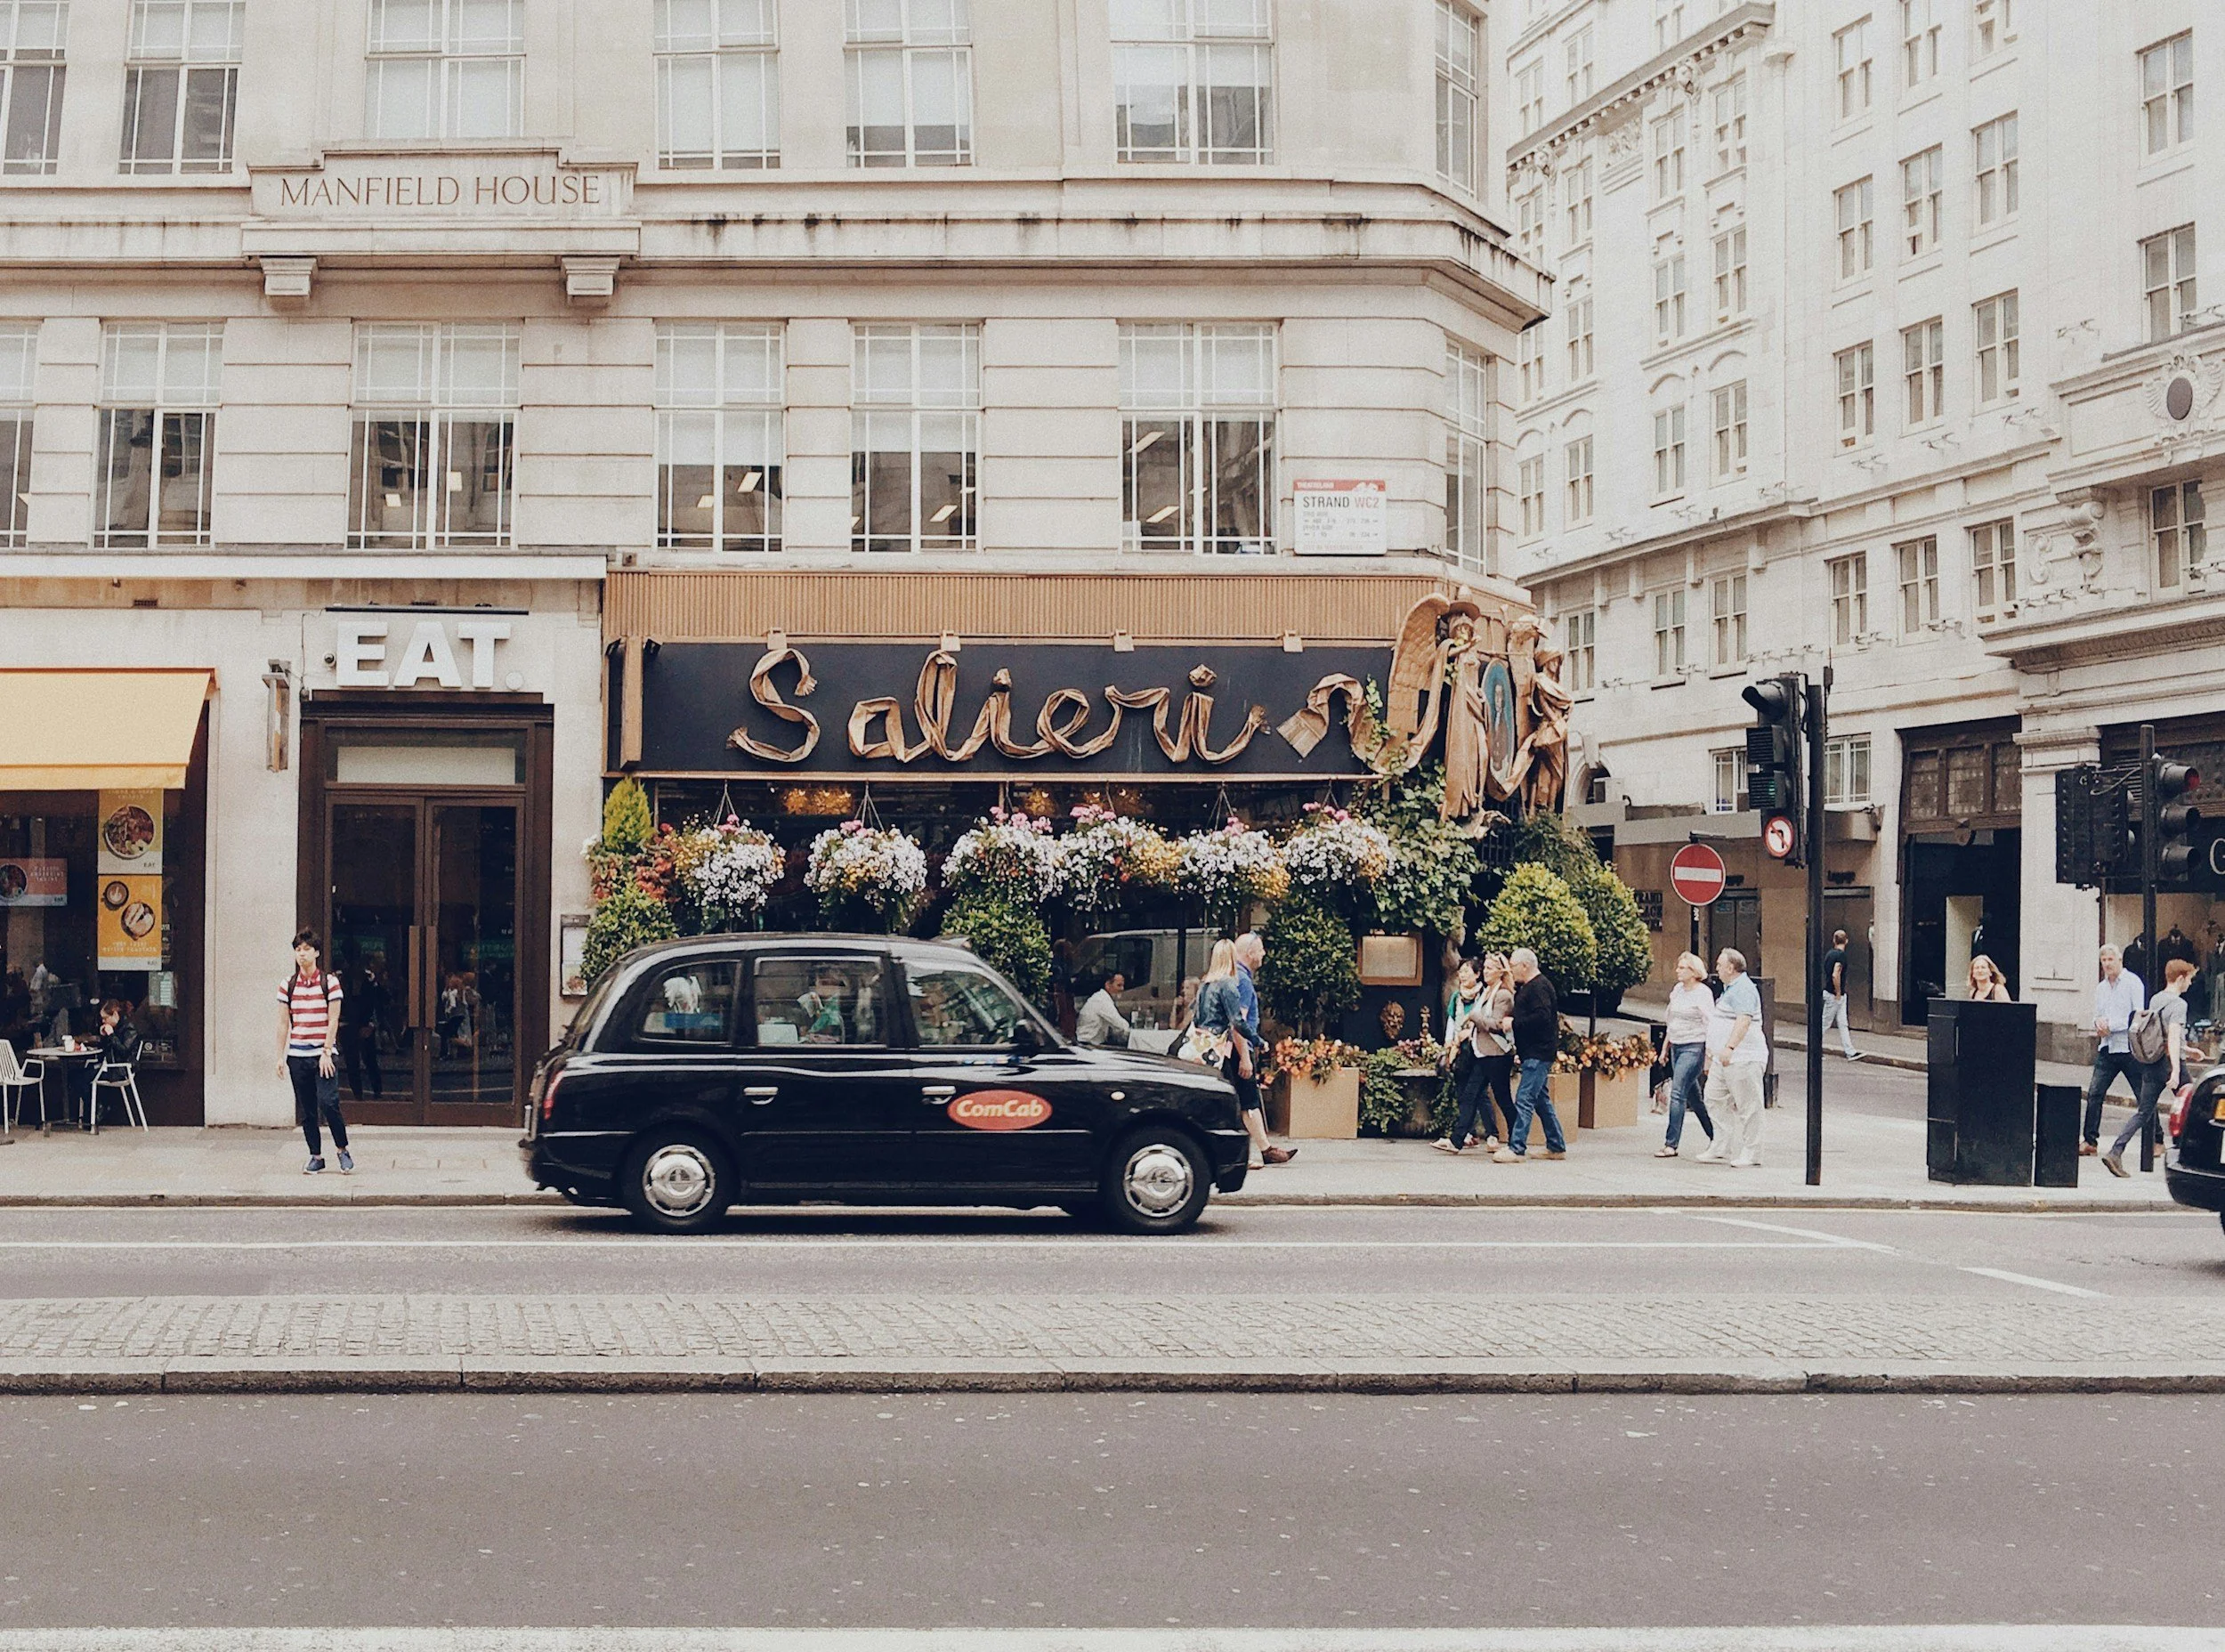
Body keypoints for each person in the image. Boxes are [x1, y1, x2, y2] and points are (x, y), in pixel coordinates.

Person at [1193, 939, 1291, 1169]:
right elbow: (1237, 1022)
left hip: (1208, 1049)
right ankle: (1245, 1155)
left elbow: (1197, 1020)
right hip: (1229, 1050)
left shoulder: (1205, 984)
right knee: (1244, 1101)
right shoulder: (1230, 983)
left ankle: (1251, 1151)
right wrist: (1256, 1042)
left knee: (1225, 1101)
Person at [2103, 957, 2194, 1178]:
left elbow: (2157, 1033)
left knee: (2143, 1112)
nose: (2190, 984)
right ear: (2181, 978)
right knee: (2193, 1106)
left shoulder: (2156, 999)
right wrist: (2175, 1070)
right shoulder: (2179, 1004)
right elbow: (2171, 1035)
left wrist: (2190, 1051)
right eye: (2189, 979)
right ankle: (2187, 1156)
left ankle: (2116, 1151)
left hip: (2151, 1063)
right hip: (2168, 1063)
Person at [277, 928, 350, 1175]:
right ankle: (316, 1156)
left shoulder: (329, 982)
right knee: (307, 1109)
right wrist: (280, 1056)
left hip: (322, 1053)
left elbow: (333, 1019)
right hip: (297, 1055)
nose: (302, 954)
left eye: (307, 949)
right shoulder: (288, 985)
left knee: (329, 1102)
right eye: (298, 950)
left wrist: (327, 1051)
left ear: (316, 952)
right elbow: (283, 1023)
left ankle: (342, 1149)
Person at [1493, 947, 1567, 1163]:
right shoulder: (1533, 986)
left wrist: (1513, 1023)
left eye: (1513, 966)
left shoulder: (1539, 987)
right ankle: (1556, 1145)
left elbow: (1542, 1018)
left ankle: (1517, 1148)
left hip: (1538, 1053)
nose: (1512, 971)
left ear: (1525, 966)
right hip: (1534, 1052)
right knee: (1540, 1100)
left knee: (1524, 1099)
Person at [1696, 948, 1768, 1167]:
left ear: (1731, 967)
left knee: (1749, 1105)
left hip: (1743, 1057)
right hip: (1724, 1059)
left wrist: (1730, 1047)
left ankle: (1752, 1151)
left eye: (1719, 964)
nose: (1716, 968)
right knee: (1713, 1097)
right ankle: (1721, 1144)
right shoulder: (1730, 989)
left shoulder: (1744, 989)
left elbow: (1744, 1020)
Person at [1234, 931, 1294, 1166]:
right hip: (1238, 1050)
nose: (1263, 954)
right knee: (1248, 1101)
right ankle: (1264, 1151)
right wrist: (1245, 1056)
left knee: (1243, 1102)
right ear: (1250, 953)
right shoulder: (1244, 982)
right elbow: (1237, 1023)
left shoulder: (1232, 976)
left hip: (1235, 1049)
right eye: (1260, 949)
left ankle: (1262, 1150)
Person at [2081, 943, 2147, 1157]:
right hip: (2108, 1047)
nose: (2107, 964)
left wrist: (2112, 1026)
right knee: (2095, 1093)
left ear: (2120, 960)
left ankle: (2155, 1139)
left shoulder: (2132, 983)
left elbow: (2138, 1014)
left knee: (2143, 1095)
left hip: (2128, 1047)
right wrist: (2098, 1023)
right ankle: (2090, 1140)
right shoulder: (2101, 988)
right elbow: (2097, 1014)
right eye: (2104, 961)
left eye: (2111, 960)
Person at [1656, 952, 1718, 1158]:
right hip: (1677, 1045)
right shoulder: (1677, 991)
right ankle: (1716, 1136)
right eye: (1678, 967)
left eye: (1682, 968)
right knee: (1694, 1097)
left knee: (1677, 1092)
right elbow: (1671, 1022)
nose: (1677, 971)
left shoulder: (1703, 993)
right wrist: (1665, 1048)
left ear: (1694, 972)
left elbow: (1711, 1024)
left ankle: (1671, 1144)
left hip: (1694, 1046)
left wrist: (1708, 1054)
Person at [69, 999, 139, 1126]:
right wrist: (104, 1038)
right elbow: (105, 1051)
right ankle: (94, 1110)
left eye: (105, 1018)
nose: (103, 1021)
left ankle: (94, 1111)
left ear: (115, 1015)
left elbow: (124, 1052)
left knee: (83, 1078)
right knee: (75, 1076)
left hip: (120, 1070)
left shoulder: (129, 1029)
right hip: (108, 1066)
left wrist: (111, 1035)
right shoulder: (114, 1029)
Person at [1821, 929, 1860, 1060]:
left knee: (1843, 1023)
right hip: (1835, 995)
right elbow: (1835, 974)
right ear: (1846, 941)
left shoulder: (1829, 954)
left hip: (1834, 994)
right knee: (1825, 1023)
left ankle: (1850, 1051)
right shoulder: (1841, 956)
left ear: (1834, 940)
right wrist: (1838, 992)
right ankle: (1815, 1049)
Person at [1075, 970, 1134, 1048]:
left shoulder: (1101, 998)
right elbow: (1120, 1025)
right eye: (1119, 985)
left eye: (1123, 985)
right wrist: (1135, 1034)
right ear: (1108, 985)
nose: (1122, 989)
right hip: (1088, 1046)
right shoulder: (1101, 1001)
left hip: (1091, 1043)